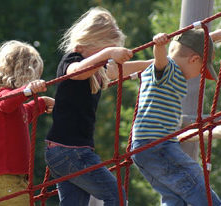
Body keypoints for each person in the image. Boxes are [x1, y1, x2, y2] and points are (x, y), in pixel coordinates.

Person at [44, 7, 151, 206]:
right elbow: (76, 72)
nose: (107, 59)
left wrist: (154, 63)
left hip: (64, 152)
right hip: (71, 152)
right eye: (104, 51)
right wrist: (108, 52)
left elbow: (119, 70)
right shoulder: (73, 60)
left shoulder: (97, 68)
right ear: (90, 42)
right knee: (117, 197)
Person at [130, 28, 221, 206]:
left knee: (174, 196)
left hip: (144, 148)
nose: (200, 74)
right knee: (192, 176)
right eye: (201, 69)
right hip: (158, 144)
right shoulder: (169, 70)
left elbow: (187, 45)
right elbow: (161, 61)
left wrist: (212, 37)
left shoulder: (165, 70)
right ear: (194, 60)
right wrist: (158, 45)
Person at [0, 40, 55, 205]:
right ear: (23, 73)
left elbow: (25, 114)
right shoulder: (0, 95)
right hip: (3, 178)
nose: (36, 79)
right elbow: (6, 103)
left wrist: (42, 103)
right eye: (34, 76)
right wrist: (28, 90)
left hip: (16, 178)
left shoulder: (17, 108)